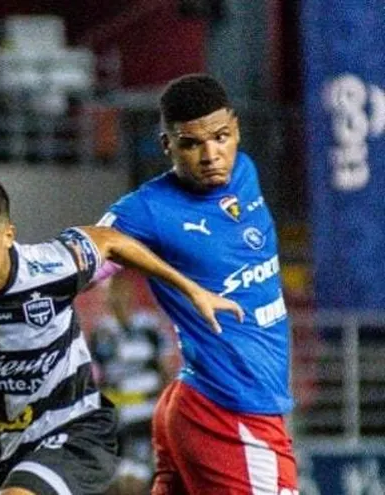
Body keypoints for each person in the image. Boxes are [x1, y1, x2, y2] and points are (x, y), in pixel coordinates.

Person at [0, 176, 243, 495]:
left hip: (77, 430)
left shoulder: (52, 267)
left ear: (8, 235)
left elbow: (111, 241)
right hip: (6, 448)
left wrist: (192, 290)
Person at [97, 73, 298, 494]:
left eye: (221, 137)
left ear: (236, 129)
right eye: (191, 144)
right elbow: (92, 248)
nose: (211, 154)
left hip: (195, 396)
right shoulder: (148, 210)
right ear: (167, 145)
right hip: (228, 408)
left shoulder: (245, 173)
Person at [88, 273, 178, 495]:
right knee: (116, 484)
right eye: (111, 293)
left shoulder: (149, 326)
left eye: (121, 291)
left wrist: (167, 412)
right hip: (119, 417)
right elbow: (96, 379)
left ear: (130, 294)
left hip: (146, 413)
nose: (117, 298)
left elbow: (166, 370)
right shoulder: (101, 333)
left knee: (135, 483)